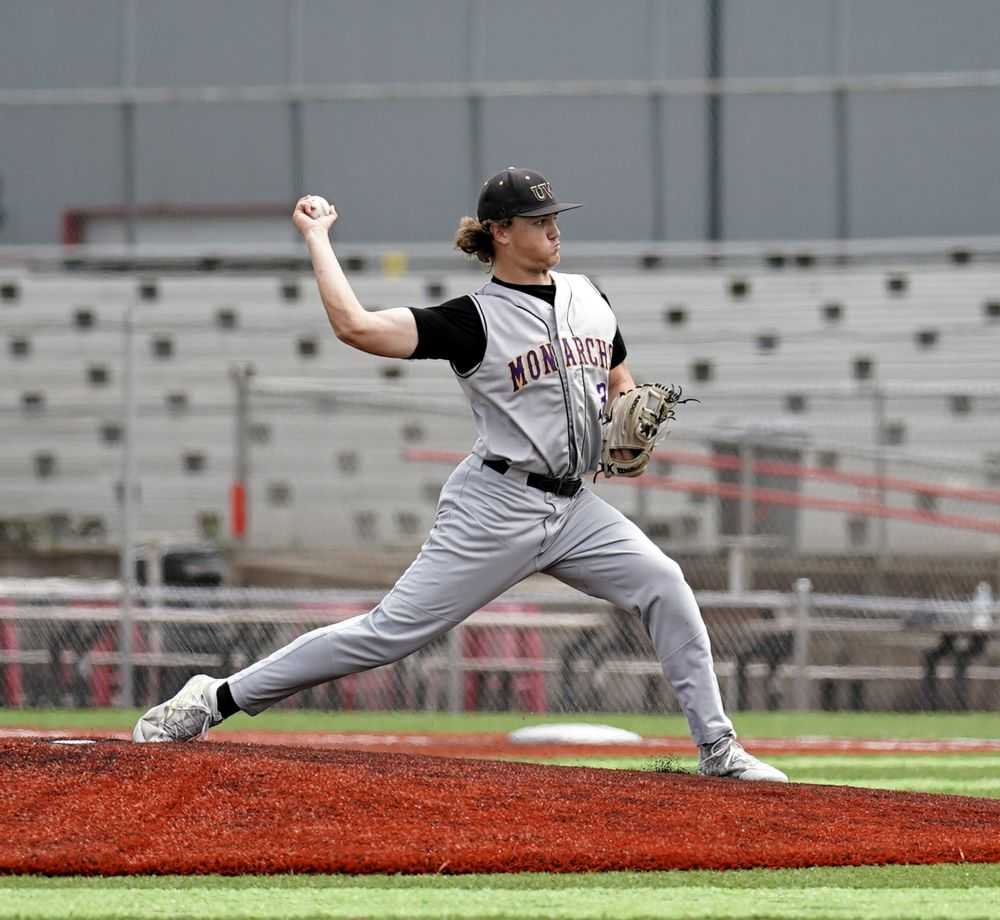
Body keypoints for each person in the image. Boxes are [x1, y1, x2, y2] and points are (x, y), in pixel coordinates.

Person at [133, 166, 787, 783]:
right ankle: (216, 698)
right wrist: (317, 237)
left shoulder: (590, 296)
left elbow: (620, 378)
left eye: (555, 217)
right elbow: (355, 326)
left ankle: (718, 747)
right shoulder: (473, 320)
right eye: (538, 220)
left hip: (574, 510)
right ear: (500, 231)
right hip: (495, 505)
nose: (554, 228)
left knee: (665, 584)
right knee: (387, 635)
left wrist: (625, 414)